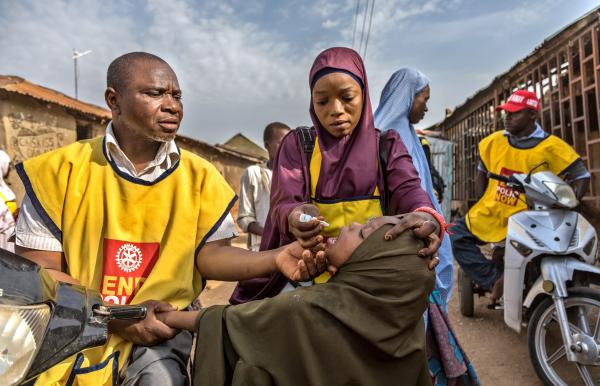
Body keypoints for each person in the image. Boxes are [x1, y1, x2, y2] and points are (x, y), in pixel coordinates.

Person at [14, 52, 327, 386]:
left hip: (163, 330)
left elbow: (211, 254)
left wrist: (275, 258)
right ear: (113, 100)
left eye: (176, 96)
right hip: (75, 327)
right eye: (154, 93)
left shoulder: (201, 177)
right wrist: (115, 317)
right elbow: (41, 271)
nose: (172, 105)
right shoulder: (58, 172)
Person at [231, 47, 447, 304]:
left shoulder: (387, 145)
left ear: (363, 95)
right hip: (309, 278)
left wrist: (423, 214)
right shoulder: (299, 146)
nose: (335, 110)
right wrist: (295, 216)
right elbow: (284, 203)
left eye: (347, 97)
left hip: (374, 283)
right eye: (322, 101)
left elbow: (409, 189)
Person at [158, 220, 436, 386]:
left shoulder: (309, 307)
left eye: (363, 233)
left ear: (372, 265)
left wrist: (168, 317)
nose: (352, 224)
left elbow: (232, 321)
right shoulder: (406, 324)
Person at [451, 90, 591, 302]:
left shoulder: (552, 147)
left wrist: (569, 203)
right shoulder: (494, 142)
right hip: (493, 211)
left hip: (533, 217)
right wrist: (481, 200)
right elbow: (482, 169)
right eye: (505, 112)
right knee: (456, 235)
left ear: (532, 115)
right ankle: (494, 279)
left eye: (514, 113)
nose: (507, 117)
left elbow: (581, 175)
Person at [374, 68, 454, 309]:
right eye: (425, 99)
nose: (426, 108)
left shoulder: (408, 134)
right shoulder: (386, 136)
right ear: (408, 96)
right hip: (398, 235)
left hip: (419, 224)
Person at [237, 122, 290, 251]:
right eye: (281, 143)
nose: (287, 148)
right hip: (261, 249)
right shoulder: (253, 173)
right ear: (267, 145)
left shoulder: (297, 174)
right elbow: (244, 218)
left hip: (291, 248)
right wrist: (270, 234)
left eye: (289, 144)